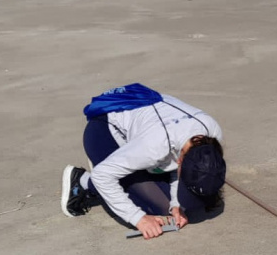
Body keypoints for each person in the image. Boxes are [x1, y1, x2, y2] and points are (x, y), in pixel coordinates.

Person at [61, 83, 226, 239]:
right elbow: (102, 175)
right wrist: (139, 219)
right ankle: (81, 180)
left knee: (178, 203)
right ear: (180, 161)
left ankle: (125, 166)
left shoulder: (212, 133)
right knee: (157, 207)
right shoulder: (155, 146)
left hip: (146, 137)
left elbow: (180, 171)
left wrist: (177, 204)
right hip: (104, 132)